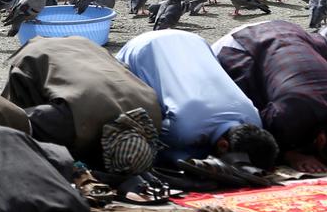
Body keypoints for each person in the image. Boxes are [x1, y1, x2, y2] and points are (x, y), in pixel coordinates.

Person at [118, 30, 279, 169]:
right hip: (142, 48)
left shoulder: (254, 119)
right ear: (223, 145)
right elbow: (160, 149)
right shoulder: (185, 130)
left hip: (194, 41)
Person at [2, 36, 164, 175]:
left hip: (87, 46)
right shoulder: (68, 121)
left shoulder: (153, 117)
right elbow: (11, 121)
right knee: (21, 130)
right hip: (36, 53)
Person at [214, 20, 327, 173]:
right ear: (321, 140)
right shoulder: (288, 115)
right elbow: (258, 138)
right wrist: (291, 155)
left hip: (288, 29)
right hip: (240, 45)